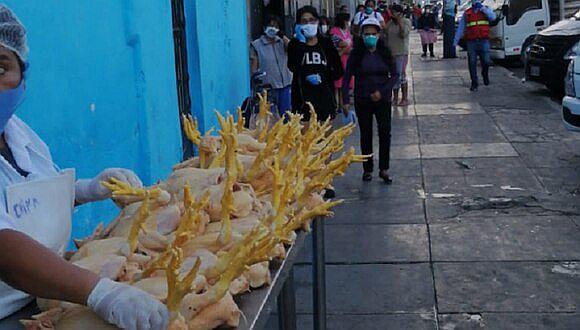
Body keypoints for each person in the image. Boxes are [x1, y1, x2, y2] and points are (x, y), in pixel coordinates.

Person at [0, 5, 168, 330]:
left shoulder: (18, 132)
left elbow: (30, 197)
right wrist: (99, 293)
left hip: (46, 297)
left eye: (0, 67)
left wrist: (87, 190)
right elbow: (4, 250)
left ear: (22, 74)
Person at [288, 5, 343, 198]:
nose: (309, 24)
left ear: (318, 23)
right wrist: (302, 43)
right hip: (303, 103)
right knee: (306, 144)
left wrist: (324, 75)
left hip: (324, 100)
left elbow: (338, 71)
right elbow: (293, 67)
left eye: (312, 20)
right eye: (304, 21)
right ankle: (308, 182)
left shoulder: (326, 44)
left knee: (325, 144)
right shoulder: (295, 45)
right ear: (298, 25)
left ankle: (325, 181)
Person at [342, 18, 397, 183]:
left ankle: (384, 168)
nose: (370, 37)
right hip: (362, 99)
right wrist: (345, 99)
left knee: (384, 133)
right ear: (362, 35)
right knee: (366, 134)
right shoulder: (356, 54)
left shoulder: (385, 53)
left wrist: (383, 91)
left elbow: (395, 75)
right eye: (367, 34)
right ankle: (367, 169)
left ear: (379, 35)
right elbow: (347, 77)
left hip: (383, 99)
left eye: (373, 34)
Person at [250, 15, 293, 118]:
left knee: (287, 117)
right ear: (264, 27)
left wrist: (283, 36)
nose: (272, 28)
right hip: (268, 89)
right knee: (271, 119)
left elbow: (293, 48)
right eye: (270, 25)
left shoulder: (282, 42)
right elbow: (254, 69)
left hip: (285, 86)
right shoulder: (257, 45)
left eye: (275, 26)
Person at [453, 0, 496, 91]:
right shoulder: (467, 13)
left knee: (486, 61)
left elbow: (493, 17)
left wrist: (483, 8)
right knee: (472, 62)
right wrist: (455, 41)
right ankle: (474, 83)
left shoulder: (485, 9)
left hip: (483, 41)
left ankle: (485, 74)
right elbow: (461, 27)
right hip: (471, 42)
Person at [384, 4, 411, 107]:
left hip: (401, 53)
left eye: (394, 12)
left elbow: (403, 34)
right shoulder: (390, 23)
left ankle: (404, 98)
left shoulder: (406, 22)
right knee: (393, 76)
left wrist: (399, 22)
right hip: (391, 53)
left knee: (401, 75)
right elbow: (385, 33)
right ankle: (395, 98)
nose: (392, 14)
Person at [330, 13, 354, 110]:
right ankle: (335, 105)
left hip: (347, 60)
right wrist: (345, 48)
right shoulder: (334, 31)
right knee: (336, 84)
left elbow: (348, 45)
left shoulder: (347, 32)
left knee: (344, 83)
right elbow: (341, 44)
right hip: (338, 60)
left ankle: (342, 103)